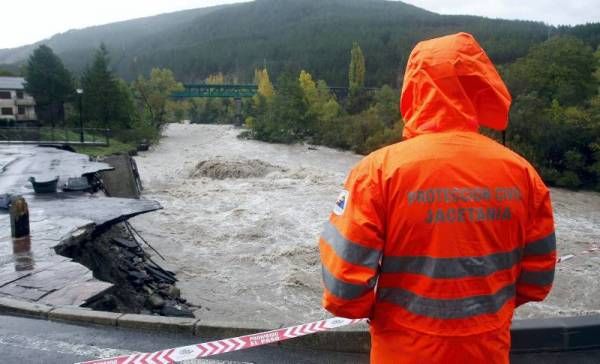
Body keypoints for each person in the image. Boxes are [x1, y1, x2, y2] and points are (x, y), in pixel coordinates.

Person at [319, 32, 556, 364]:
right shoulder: (523, 174)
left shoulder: (377, 172)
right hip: (487, 351)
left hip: (402, 352)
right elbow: (538, 281)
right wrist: (483, 314)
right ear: (479, 85)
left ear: (414, 86)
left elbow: (343, 290)